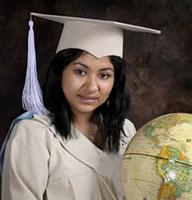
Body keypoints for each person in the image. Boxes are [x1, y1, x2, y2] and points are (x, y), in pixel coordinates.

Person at [1, 13, 160, 200]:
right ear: (59, 73)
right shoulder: (33, 134)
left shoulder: (126, 130)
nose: (91, 87)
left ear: (116, 81)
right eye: (80, 71)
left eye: (104, 75)